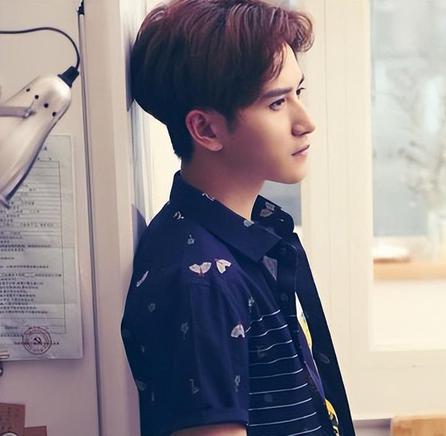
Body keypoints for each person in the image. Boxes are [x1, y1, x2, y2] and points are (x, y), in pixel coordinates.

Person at [121, 1, 354, 435]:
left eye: (298, 93)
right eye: (277, 102)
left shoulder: (246, 240)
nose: (305, 122)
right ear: (207, 130)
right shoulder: (202, 280)